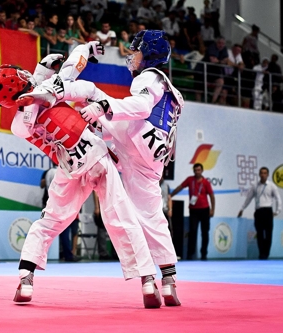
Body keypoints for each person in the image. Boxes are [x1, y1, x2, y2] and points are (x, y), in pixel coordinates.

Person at [0, 44, 161, 308]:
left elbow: (32, 98)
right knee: (121, 217)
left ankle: (25, 279)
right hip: (95, 154)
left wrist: (40, 72)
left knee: (49, 221)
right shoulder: (51, 87)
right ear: (20, 78)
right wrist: (87, 48)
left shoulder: (17, 126)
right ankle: (148, 281)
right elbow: (73, 64)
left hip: (68, 165)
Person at [48, 30, 183, 306]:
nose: (130, 57)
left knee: (92, 93)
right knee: (153, 216)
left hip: (140, 139)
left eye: (135, 52)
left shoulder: (150, 77)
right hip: (155, 156)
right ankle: (168, 280)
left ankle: (55, 89)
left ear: (149, 56)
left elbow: (142, 107)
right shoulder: (173, 92)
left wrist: (103, 107)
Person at [170, 163, 215, 261]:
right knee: (193, 232)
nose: (197, 172)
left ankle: (204, 254)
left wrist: (212, 209)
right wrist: (171, 195)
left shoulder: (206, 182)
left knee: (205, 232)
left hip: (204, 209)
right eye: (195, 170)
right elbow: (180, 187)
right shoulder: (190, 180)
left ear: (202, 171)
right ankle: (190, 254)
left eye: (199, 170)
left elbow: (212, 196)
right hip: (193, 210)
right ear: (193, 171)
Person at [238, 167, 281, 260]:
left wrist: (278, 211)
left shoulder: (272, 186)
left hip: (268, 211)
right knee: (260, 234)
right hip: (259, 212)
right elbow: (248, 198)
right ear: (259, 174)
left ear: (268, 175)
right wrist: (242, 208)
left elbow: (278, 198)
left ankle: (266, 253)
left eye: (265, 173)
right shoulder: (255, 185)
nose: (263, 175)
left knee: (269, 234)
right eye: (261, 173)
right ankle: (261, 254)